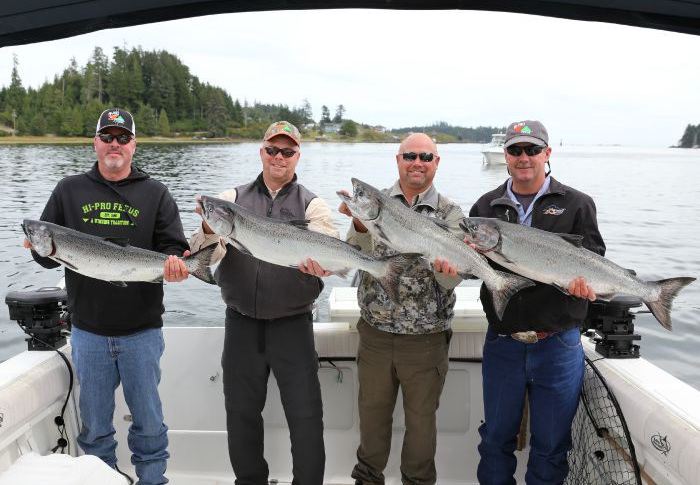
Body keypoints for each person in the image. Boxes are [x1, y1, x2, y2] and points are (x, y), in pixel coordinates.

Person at [24, 108, 191, 485]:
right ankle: (101, 480)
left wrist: (180, 266)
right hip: (88, 332)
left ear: (134, 144)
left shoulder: (156, 193)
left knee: (148, 423)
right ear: (95, 141)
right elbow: (49, 258)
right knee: (95, 427)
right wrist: (38, 248)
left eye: (122, 137)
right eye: (107, 137)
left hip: (142, 330)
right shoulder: (69, 189)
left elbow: (173, 248)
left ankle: (153, 481)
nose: (114, 144)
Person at [190, 121, 337, 485]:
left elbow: (330, 246)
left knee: (305, 416)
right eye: (273, 149)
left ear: (297, 156)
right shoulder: (231, 199)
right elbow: (199, 255)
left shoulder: (313, 204)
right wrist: (209, 230)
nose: (279, 157)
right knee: (241, 413)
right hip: (241, 323)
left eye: (287, 151)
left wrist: (326, 264)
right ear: (262, 152)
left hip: (293, 324)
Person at [468, 120, 605, 485]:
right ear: (506, 155)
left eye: (531, 149)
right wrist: (456, 261)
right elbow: (472, 268)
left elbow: (595, 257)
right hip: (503, 343)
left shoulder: (577, 203)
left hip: (558, 345)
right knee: (495, 441)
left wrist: (583, 285)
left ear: (547, 153)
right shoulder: (485, 207)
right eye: (515, 150)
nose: (523, 157)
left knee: (551, 446)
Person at [339, 133, 464, 485]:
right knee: (372, 419)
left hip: (426, 341)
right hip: (375, 334)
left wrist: (446, 268)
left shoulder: (450, 213)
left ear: (436, 163)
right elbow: (354, 256)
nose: (417, 163)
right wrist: (362, 224)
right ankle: (367, 479)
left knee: (422, 425)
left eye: (426, 157)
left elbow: (452, 282)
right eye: (410, 156)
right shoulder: (372, 203)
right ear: (398, 160)